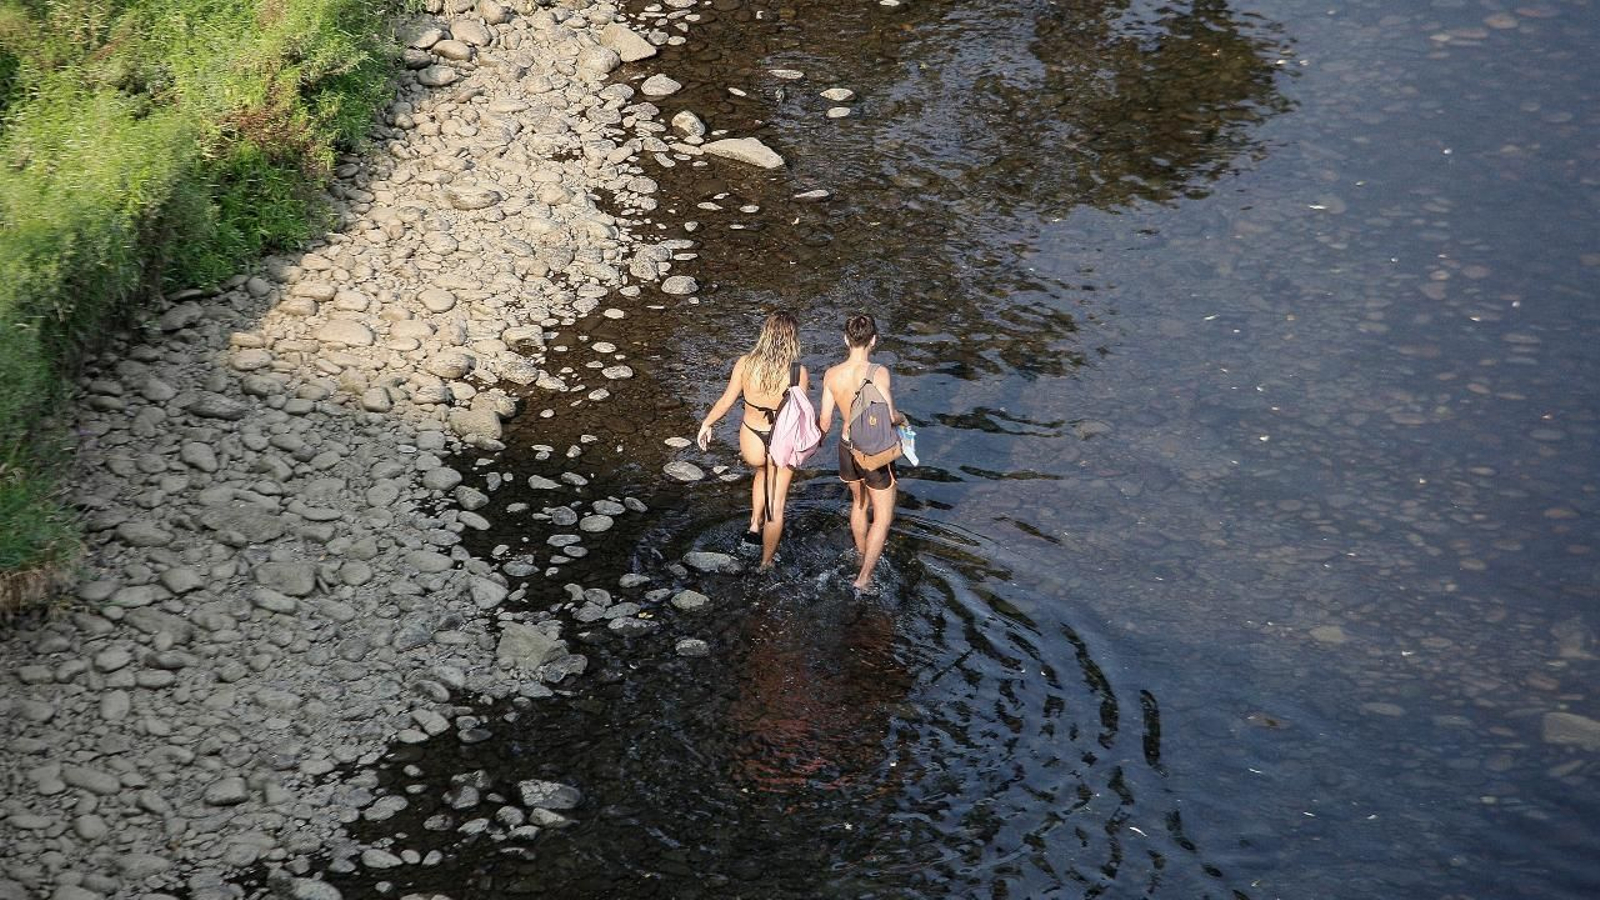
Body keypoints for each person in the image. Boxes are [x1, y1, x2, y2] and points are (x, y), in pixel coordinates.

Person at [697, 310, 810, 569]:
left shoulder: (745, 364)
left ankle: (753, 527)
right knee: (777, 506)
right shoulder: (797, 372)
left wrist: (707, 423)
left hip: (752, 439)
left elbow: (727, 400)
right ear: (793, 339)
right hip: (781, 442)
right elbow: (802, 412)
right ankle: (766, 562)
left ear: (765, 334)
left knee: (761, 470)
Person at [818, 313, 905, 590]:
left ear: (846, 339)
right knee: (883, 517)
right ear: (874, 341)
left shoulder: (831, 375)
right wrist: (903, 419)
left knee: (859, 503)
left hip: (847, 445)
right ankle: (864, 578)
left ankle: (859, 554)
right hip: (874, 450)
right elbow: (890, 416)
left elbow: (824, 422)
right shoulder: (879, 372)